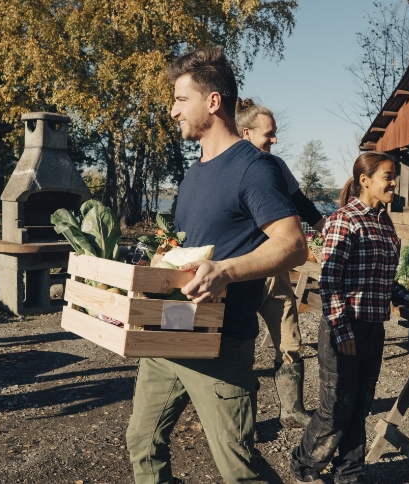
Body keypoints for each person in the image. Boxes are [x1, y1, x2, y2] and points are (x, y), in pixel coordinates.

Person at [126, 46, 307, 484]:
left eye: (180, 100)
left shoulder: (254, 169)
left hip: (220, 346)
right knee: (142, 443)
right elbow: (188, 249)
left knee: (238, 469)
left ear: (212, 102)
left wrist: (225, 270)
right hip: (168, 334)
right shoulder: (194, 173)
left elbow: (294, 245)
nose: (173, 112)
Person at [290, 152, 409, 484]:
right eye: (388, 176)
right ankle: (303, 466)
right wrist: (341, 330)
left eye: (394, 176)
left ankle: (349, 474)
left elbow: (382, 280)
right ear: (365, 180)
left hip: (372, 330)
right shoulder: (344, 220)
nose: (394, 182)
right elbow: (330, 280)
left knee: (361, 406)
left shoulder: (383, 221)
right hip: (345, 328)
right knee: (335, 409)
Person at [235, 98, 324, 428]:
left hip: (275, 271)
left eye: (275, 134)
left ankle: (292, 410)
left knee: (289, 340)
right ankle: (241, 422)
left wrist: (326, 232)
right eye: (268, 134)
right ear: (246, 132)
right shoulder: (228, 167)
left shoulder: (276, 167)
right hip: (239, 271)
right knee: (237, 346)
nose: (274, 140)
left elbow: (301, 203)